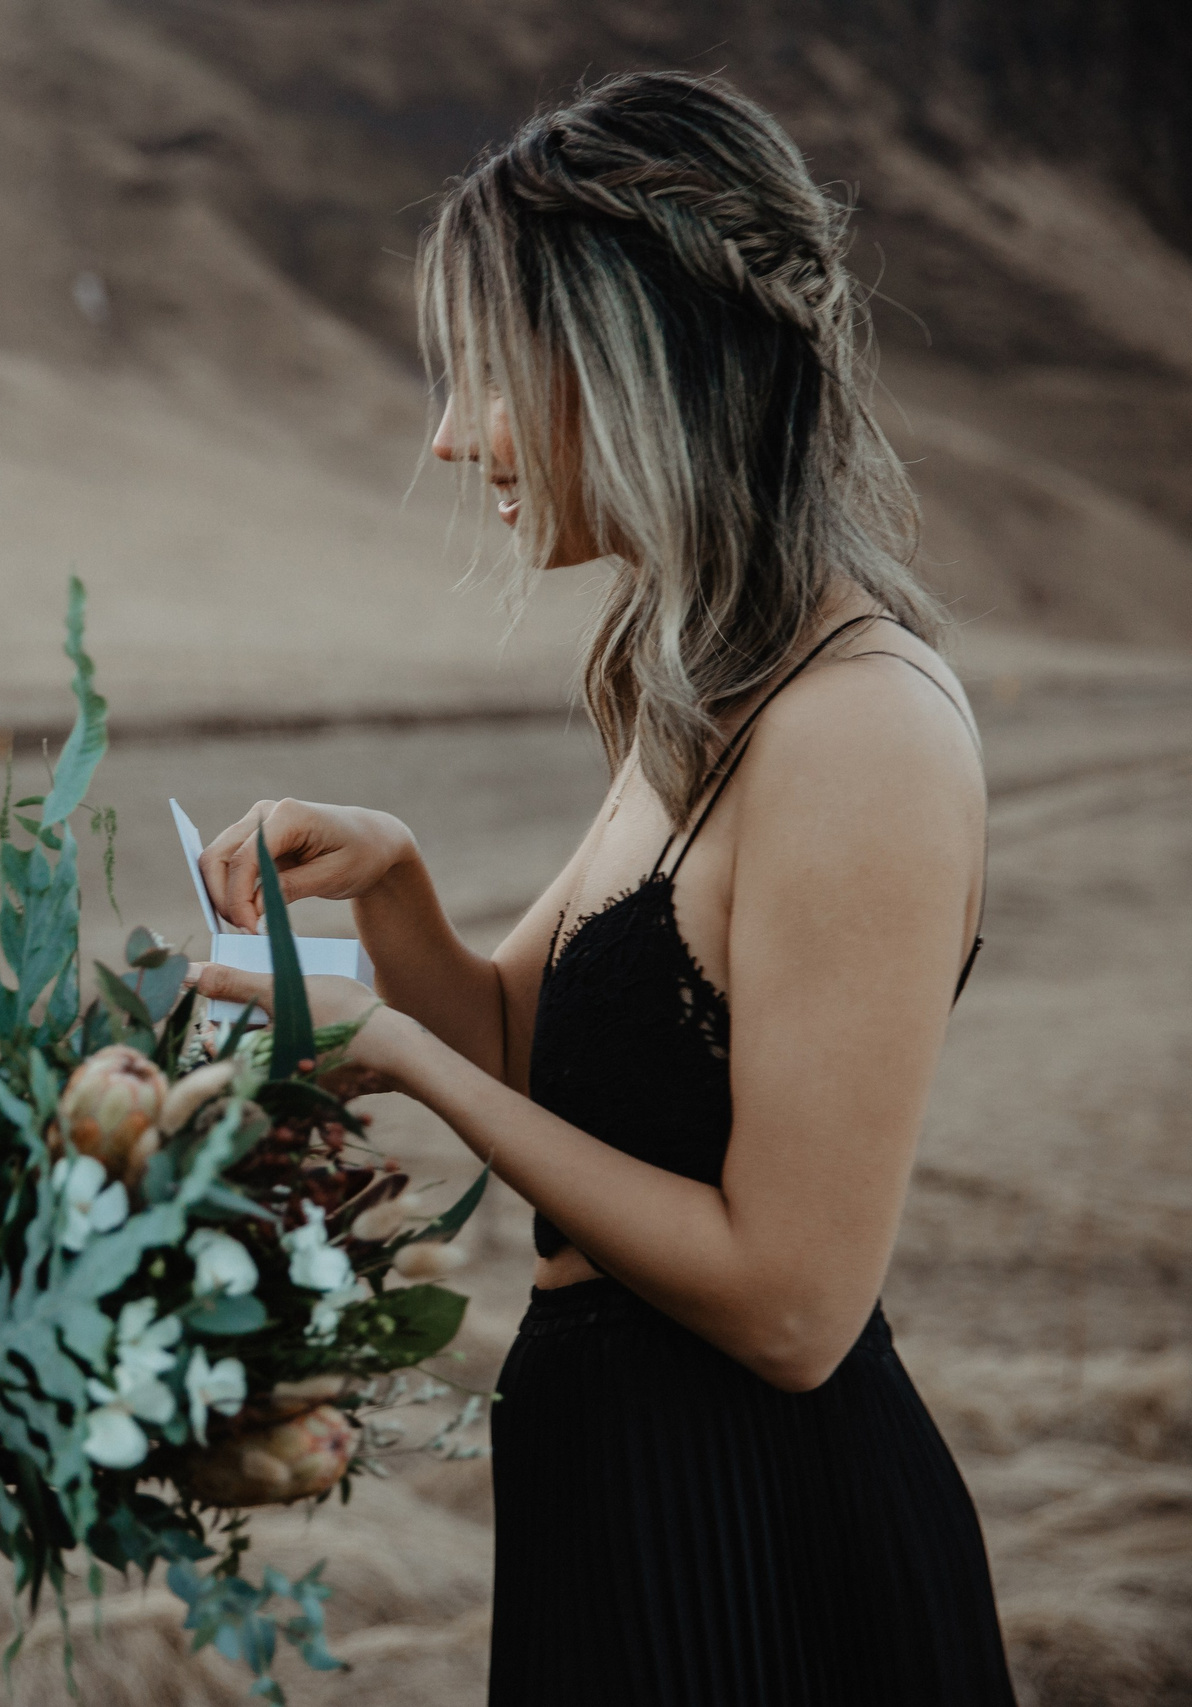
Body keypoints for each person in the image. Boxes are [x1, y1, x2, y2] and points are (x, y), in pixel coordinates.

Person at [189, 72, 1015, 1706]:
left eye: (485, 374)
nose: (448, 435)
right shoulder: (703, 685)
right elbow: (530, 1059)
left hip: (764, 1538)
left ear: (632, 362)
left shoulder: (862, 731)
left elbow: (793, 1308)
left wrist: (399, 1057)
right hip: (609, 1493)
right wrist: (401, 892)